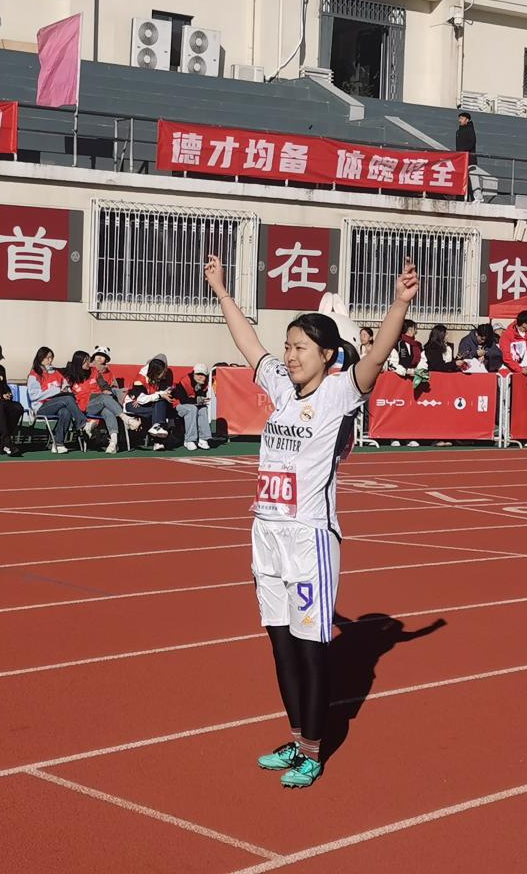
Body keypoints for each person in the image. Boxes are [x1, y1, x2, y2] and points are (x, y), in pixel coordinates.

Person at [204, 252, 420, 790]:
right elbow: (247, 343)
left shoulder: (338, 395)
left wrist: (399, 304)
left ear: (327, 355)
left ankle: (314, 750)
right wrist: (222, 292)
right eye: (288, 346)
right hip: (266, 534)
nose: (289, 355)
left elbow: (377, 355)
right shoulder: (280, 385)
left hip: (308, 539)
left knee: (309, 646)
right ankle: (297, 735)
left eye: (300, 347)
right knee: (280, 644)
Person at [72, 346, 140, 454]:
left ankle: (113, 442)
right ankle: (127, 419)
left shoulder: (94, 371)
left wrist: (107, 390)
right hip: (84, 406)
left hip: (100, 402)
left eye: (88, 360)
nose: (89, 363)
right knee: (104, 398)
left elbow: (104, 385)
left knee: (108, 410)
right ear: (79, 362)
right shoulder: (71, 376)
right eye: (86, 361)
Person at [27, 346, 89, 453]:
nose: (50, 360)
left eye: (51, 357)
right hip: (41, 407)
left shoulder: (56, 373)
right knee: (67, 399)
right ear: (40, 358)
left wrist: (65, 389)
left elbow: (66, 386)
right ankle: (82, 422)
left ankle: (58, 444)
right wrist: (55, 391)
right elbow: (34, 396)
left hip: (58, 404)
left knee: (66, 412)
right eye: (47, 357)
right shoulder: (35, 374)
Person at [127, 355, 176, 443]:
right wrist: (159, 395)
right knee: (160, 409)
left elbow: (157, 394)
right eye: (163, 372)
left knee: (160, 405)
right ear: (157, 372)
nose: (165, 374)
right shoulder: (140, 379)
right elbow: (141, 399)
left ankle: (157, 429)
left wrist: (163, 393)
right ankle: (158, 440)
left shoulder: (155, 378)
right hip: (132, 405)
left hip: (148, 404)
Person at [173, 363, 213, 451]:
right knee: (192, 409)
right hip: (177, 405)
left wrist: (200, 400)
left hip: (192, 404)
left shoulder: (204, 384)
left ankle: (203, 438)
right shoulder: (185, 381)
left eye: (203, 375)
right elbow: (181, 399)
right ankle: (189, 440)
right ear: (194, 373)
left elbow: (200, 399)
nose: (200, 377)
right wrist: (197, 400)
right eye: (198, 374)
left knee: (203, 409)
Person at [499, 311, 527, 380]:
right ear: (524, 324)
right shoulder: (507, 335)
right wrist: (520, 369)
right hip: (510, 373)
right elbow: (506, 356)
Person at [456, 111, 482, 202]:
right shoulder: (459, 131)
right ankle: (460, 197)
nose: (460, 120)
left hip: (470, 159)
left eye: (462, 118)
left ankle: (478, 197)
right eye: (459, 118)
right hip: (461, 159)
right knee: (461, 178)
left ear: (467, 120)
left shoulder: (470, 129)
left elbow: (472, 142)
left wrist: (463, 151)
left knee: (474, 178)